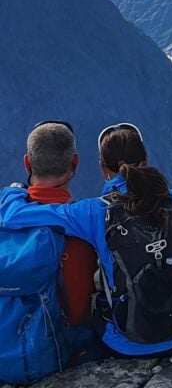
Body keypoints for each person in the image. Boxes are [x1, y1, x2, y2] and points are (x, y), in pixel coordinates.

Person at [0, 122, 172, 358]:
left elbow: (14, 216)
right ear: (145, 159)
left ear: (103, 169)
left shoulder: (93, 212)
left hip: (124, 343)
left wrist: (14, 191)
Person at [0, 120, 98, 384]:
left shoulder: (4, 213)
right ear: (75, 164)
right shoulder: (83, 236)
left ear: (27, 163)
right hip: (48, 361)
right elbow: (79, 315)